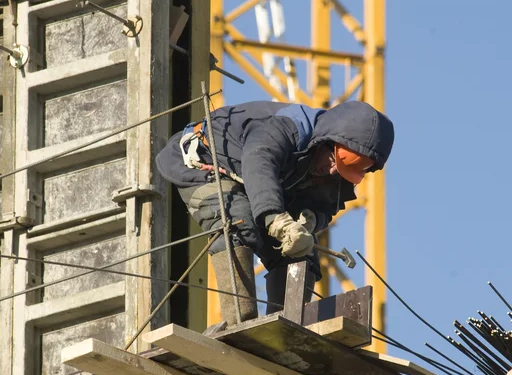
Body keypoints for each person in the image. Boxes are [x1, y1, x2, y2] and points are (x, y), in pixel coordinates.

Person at [155, 100, 394, 328]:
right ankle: (241, 321)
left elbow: (324, 207)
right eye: (335, 159)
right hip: (202, 160)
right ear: (327, 140)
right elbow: (259, 162)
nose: (332, 169)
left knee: (303, 253)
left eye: (344, 168)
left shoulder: (333, 174)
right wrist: (275, 219)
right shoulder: (288, 127)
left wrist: (309, 220)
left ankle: (284, 325)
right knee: (237, 222)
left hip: (252, 184)